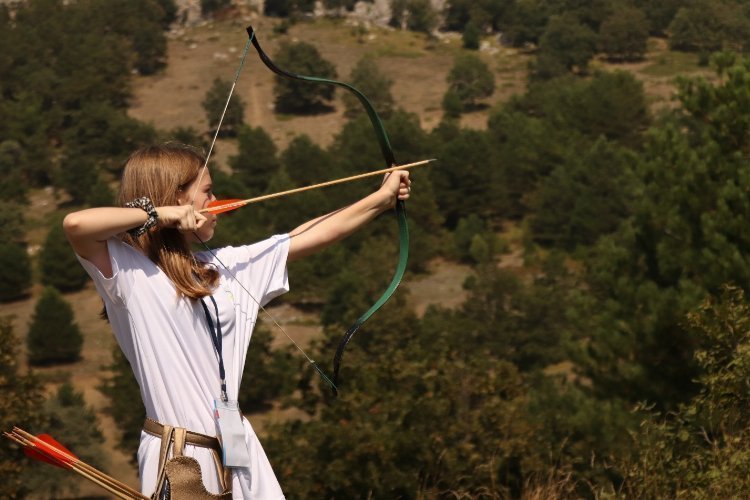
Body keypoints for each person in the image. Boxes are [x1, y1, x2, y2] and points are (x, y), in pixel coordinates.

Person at [63, 143, 411, 499]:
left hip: (238, 448)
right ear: (174, 197)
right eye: (207, 191)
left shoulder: (224, 268)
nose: (217, 200)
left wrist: (381, 200)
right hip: (181, 458)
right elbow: (76, 225)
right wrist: (161, 214)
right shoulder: (128, 274)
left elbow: (305, 237)